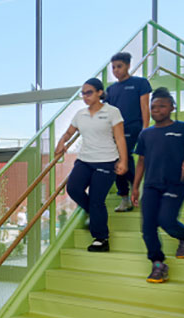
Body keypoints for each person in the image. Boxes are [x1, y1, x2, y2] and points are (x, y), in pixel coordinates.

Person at [131, 88, 184, 283]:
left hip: (175, 184)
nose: (156, 110)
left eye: (162, 106)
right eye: (153, 107)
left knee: (167, 220)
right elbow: (141, 162)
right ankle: (158, 263)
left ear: (172, 107)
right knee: (147, 228)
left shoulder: (182, 128)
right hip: (151, 186)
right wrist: (135, 187)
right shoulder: (146, 134)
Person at [54, 78, 129, 253]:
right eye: (83, 93)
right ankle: (94, 214)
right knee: (73, 188)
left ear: (99, 93)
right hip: (85, 160)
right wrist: (61, 141)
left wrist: (123, 160)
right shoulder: (80, 114)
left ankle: (101, 238)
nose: (85, 96)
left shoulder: (112, 112)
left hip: (106, 160)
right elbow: (69, 132)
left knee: (96, 200)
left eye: (89, 92)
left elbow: (119, 138)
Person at [106, 52, 152, 213]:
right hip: (116, 130)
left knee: (124, 157)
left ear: (128, 66)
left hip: (134, 128)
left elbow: (145, 106)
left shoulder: (140, 83)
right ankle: (126, 194)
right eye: (113, 68)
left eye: (119, 66)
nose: (116, 70)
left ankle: (133, 188)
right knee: (116, 160)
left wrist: (145, 128)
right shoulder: (110, 90)